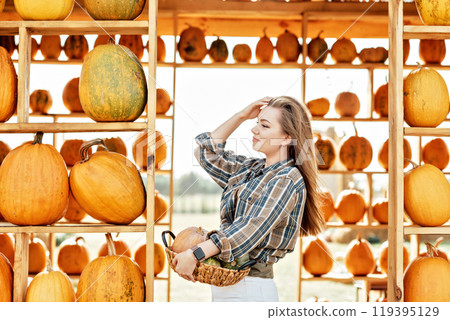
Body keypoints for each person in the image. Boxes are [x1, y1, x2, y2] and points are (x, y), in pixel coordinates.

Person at [172, 96, 325, 302]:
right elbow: (205, 153)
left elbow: (248, 230)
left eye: (264, 125)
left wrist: (195, 254)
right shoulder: (250, 170)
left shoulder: (288, 179)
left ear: (287, 137)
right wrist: (241, 116)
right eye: (256, 123)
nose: (255, 130)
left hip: (250, 289)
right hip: (227, 284)